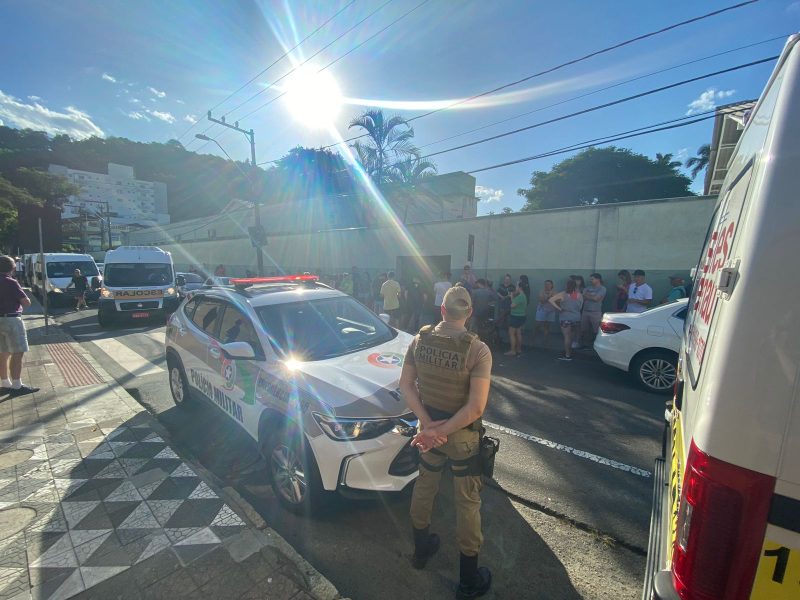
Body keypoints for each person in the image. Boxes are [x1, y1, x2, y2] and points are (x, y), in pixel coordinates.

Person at [400, 286, 493, 599]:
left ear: (441, 310)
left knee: (424, 486)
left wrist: (427, 427)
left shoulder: (419, 339)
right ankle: (468, 579)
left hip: (429, 434)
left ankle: (421, 550)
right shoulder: (478, 350)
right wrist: (443, 429)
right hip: (462, 437)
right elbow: (475, 408)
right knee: (467, 502)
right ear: (468, 313)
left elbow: (406, 386)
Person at [0, 255, 39, 396]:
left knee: (3, 353)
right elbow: (26, 302)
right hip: (11, 319)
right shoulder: (11, 282)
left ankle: (5, 383)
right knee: (17, 352)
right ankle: (17, 385)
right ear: (12, 268)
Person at [549, 279, 583, 361]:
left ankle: (567, 355)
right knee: (572, 336)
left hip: (565, 318)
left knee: (567, 337)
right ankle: (570, 351)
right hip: (576, 318)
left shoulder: (563, 294)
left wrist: (559, 308)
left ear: (567, 285)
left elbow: (550, 300)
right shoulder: (579, 295)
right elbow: (581, 306)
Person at [580, 273, 606, 347]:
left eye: (592, 279)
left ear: (598, 279)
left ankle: (596, 346)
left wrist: (586, 295)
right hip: (585, 311)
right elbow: (583, 297)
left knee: (596, 330)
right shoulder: (587, 288)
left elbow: (596, 299)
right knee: (584, 329)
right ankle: (584, 345)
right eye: (590, 279)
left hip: (595, 312)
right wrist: (591, 296)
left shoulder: (602, 288)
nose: (590, 280)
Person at [505, 283, 527, 357]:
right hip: (521, 316)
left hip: (515, 317)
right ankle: (518, 349)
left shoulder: (520, 297)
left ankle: (512, 351)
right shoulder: (523, 296)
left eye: (517, 286)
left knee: (511, 334)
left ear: (520, 288)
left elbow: (512, 305)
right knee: (518, 333)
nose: (516, 288)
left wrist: (511, 296)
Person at [533, 279, 556, 346]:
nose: (547, 285)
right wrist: (549, 297)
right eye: (545, 284)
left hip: (551, 311)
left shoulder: (554, 292)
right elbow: (541, 301)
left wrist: (549, 298)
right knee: (537, 325)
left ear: (552, 285)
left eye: (548, 284)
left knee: (547, 326)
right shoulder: (541, 291)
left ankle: (545, 340)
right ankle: (532, 339)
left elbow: (555, 301)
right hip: (541, 310)